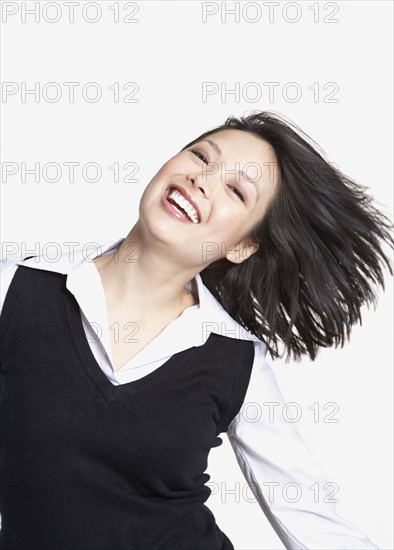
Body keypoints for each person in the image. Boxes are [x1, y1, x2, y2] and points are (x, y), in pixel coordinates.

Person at [0, 111, 391, 549]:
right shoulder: (15, 292)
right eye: (202, 156)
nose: (202, 179)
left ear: (242, 247)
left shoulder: (235, 359)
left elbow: (307, 516)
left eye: (236, 190)